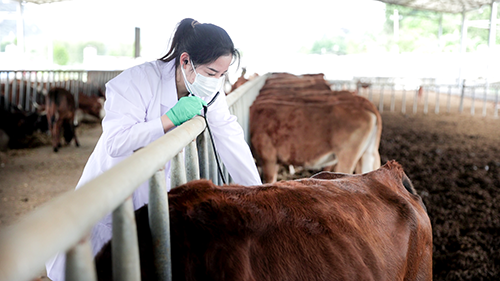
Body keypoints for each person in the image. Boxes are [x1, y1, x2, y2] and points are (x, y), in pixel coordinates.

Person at [46, 18, 262, 281]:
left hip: (156, 199)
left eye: (222, 75)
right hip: (113, 195)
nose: (216, 82)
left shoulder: (209, 93)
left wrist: (259, 195)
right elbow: (117, 142)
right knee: (97, 268)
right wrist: (168, 120)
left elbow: (229, 137)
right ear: (185, 61)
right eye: (211, 73)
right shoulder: (137, 81)